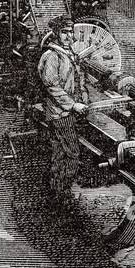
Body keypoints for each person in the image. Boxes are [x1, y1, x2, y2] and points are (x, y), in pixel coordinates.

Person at [36, 16, 89, 214]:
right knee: (71, 154)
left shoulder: (69, 53)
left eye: (70, 32)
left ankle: (56, 195)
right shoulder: (52, 56)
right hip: (60, 113)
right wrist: (74, 105)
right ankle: (62, 196)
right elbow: (53, 87)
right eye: (64, 32)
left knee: (59, 153)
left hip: (68, 110)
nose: (68, 36)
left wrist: (83, 97)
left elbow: (77, 78)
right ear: (56, 34)